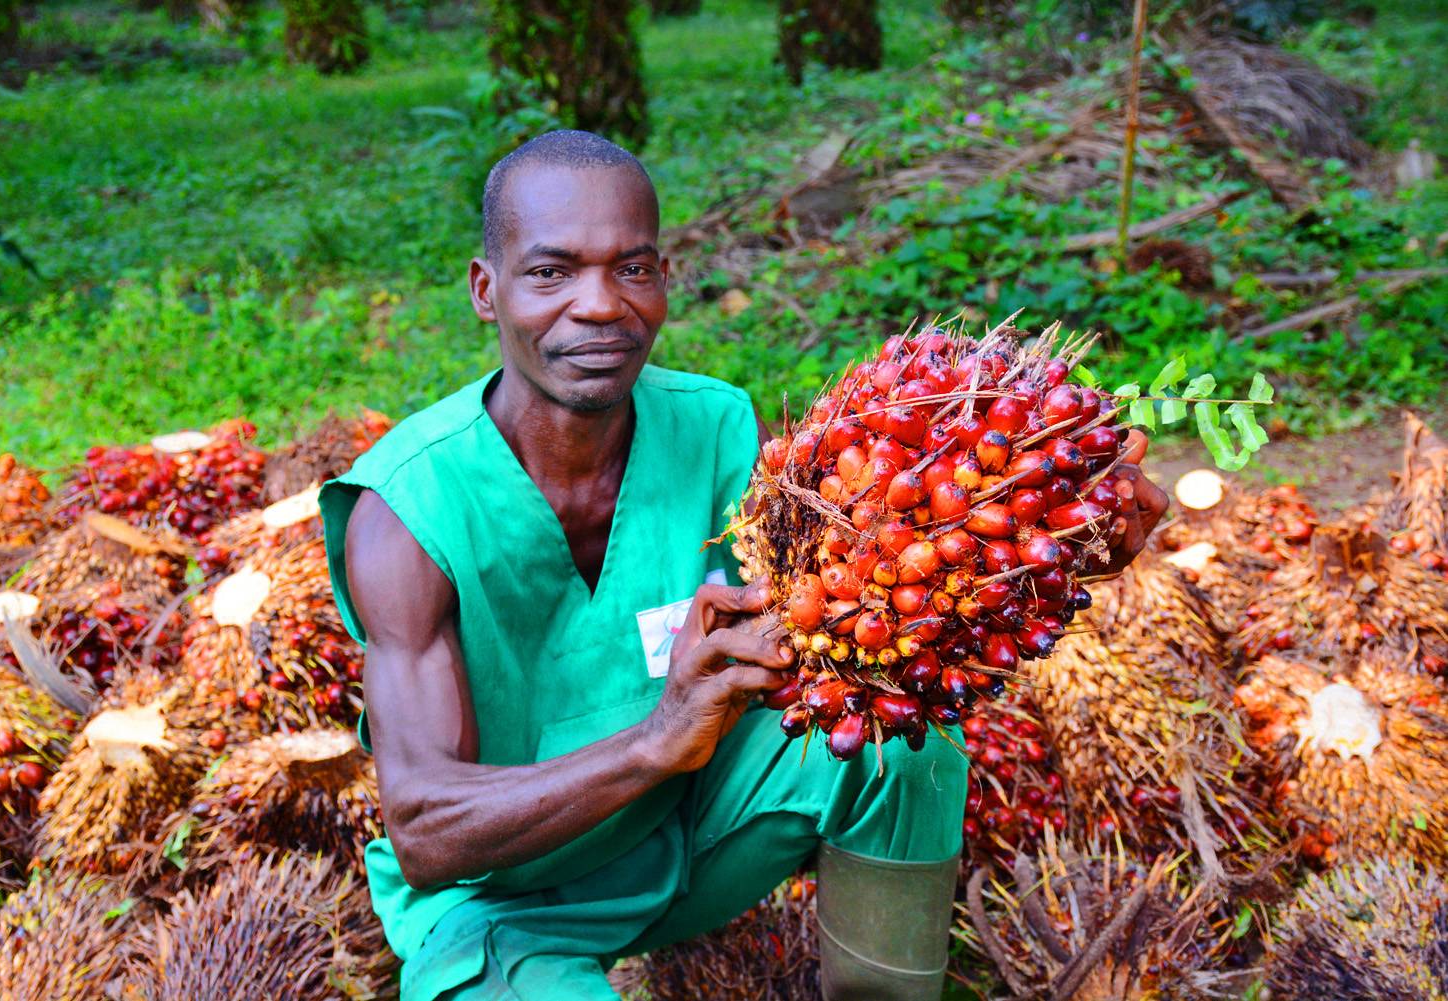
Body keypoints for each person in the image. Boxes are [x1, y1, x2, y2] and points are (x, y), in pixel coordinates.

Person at [320, 129, 1168, 1001]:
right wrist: (655, 742)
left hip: (683, 833)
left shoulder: (716, 429)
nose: (601, 305)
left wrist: (1055, 551)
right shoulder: (407, 511)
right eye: (551, 273)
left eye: (633, 268)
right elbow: (425, 831)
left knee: (902, 748)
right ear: (484, 289)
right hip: (500, 905)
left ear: (665, 281)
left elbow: (872, 621)